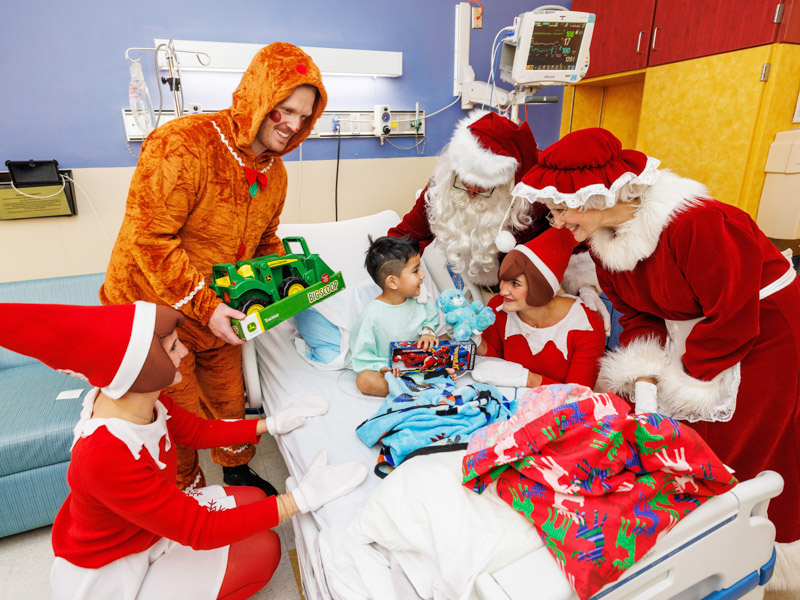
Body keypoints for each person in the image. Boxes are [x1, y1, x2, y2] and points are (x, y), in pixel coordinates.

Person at [511, 126, 800, 590]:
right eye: (552, 208)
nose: (557, 219)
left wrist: (686, 376)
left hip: (765, 327)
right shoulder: (604, 245)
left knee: (746, 439)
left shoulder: (698, 223)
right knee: (690, 432)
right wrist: (648, 370)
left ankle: (758, 549)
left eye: (563, 206)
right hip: (704, 328)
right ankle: (708, 538)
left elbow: (734, 314)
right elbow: (636, 312)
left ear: (599, 194)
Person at [0, 301, 367, 600]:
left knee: (255, 496)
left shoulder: (142, 402)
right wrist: (299, 500)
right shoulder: (103, 455)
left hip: (146, 529)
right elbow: (200, 530)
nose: (186, 350)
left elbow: (196, 431)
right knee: (266, 549)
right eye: (174, 346)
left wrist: (269, 424)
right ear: (142, 367)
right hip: (114, 567)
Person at [100, 43, 328, 494]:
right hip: (155, 311)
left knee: (228, 397)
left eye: (304, 116)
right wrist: (205, 307)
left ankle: (236, 468)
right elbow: (151, 240)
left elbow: (264, 241)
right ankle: (186, 487)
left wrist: (286, 279)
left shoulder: (275, 173)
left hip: (219, 311)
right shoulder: (182, 144)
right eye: (283, 110)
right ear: (257, 97)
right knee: (174, 412)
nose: (292, 125)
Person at [387, 109, 612, 332]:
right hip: (477, 294)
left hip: (532, 299)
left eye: (484, 186)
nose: (472, 192)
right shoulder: (443, 187)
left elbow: (578, 238)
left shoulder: (536, 194)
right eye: (464, 181)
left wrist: (585, 286)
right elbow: (409, 235)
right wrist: (387, 273)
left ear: (505, 183)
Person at [471, 226, 606, 389]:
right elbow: (494, 356)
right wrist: (474, 340)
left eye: (515, 284)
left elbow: (578, 396)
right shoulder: (500, 306)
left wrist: (527, 379)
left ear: (541, 287)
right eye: (503, 280)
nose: (503, 290)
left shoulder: (585, 326)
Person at [349, 235, 441, 397]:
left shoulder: (417, 302)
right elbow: (361, 354)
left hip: (420, 365)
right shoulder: (372, 315)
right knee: (364, 380)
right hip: (391, 372)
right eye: (415, 271)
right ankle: (409, 389)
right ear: (392, 282)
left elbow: (431, 317)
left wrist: (428, 330)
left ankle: (420, 384)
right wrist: (384, 369)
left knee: (445, 339)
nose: (422, 275)